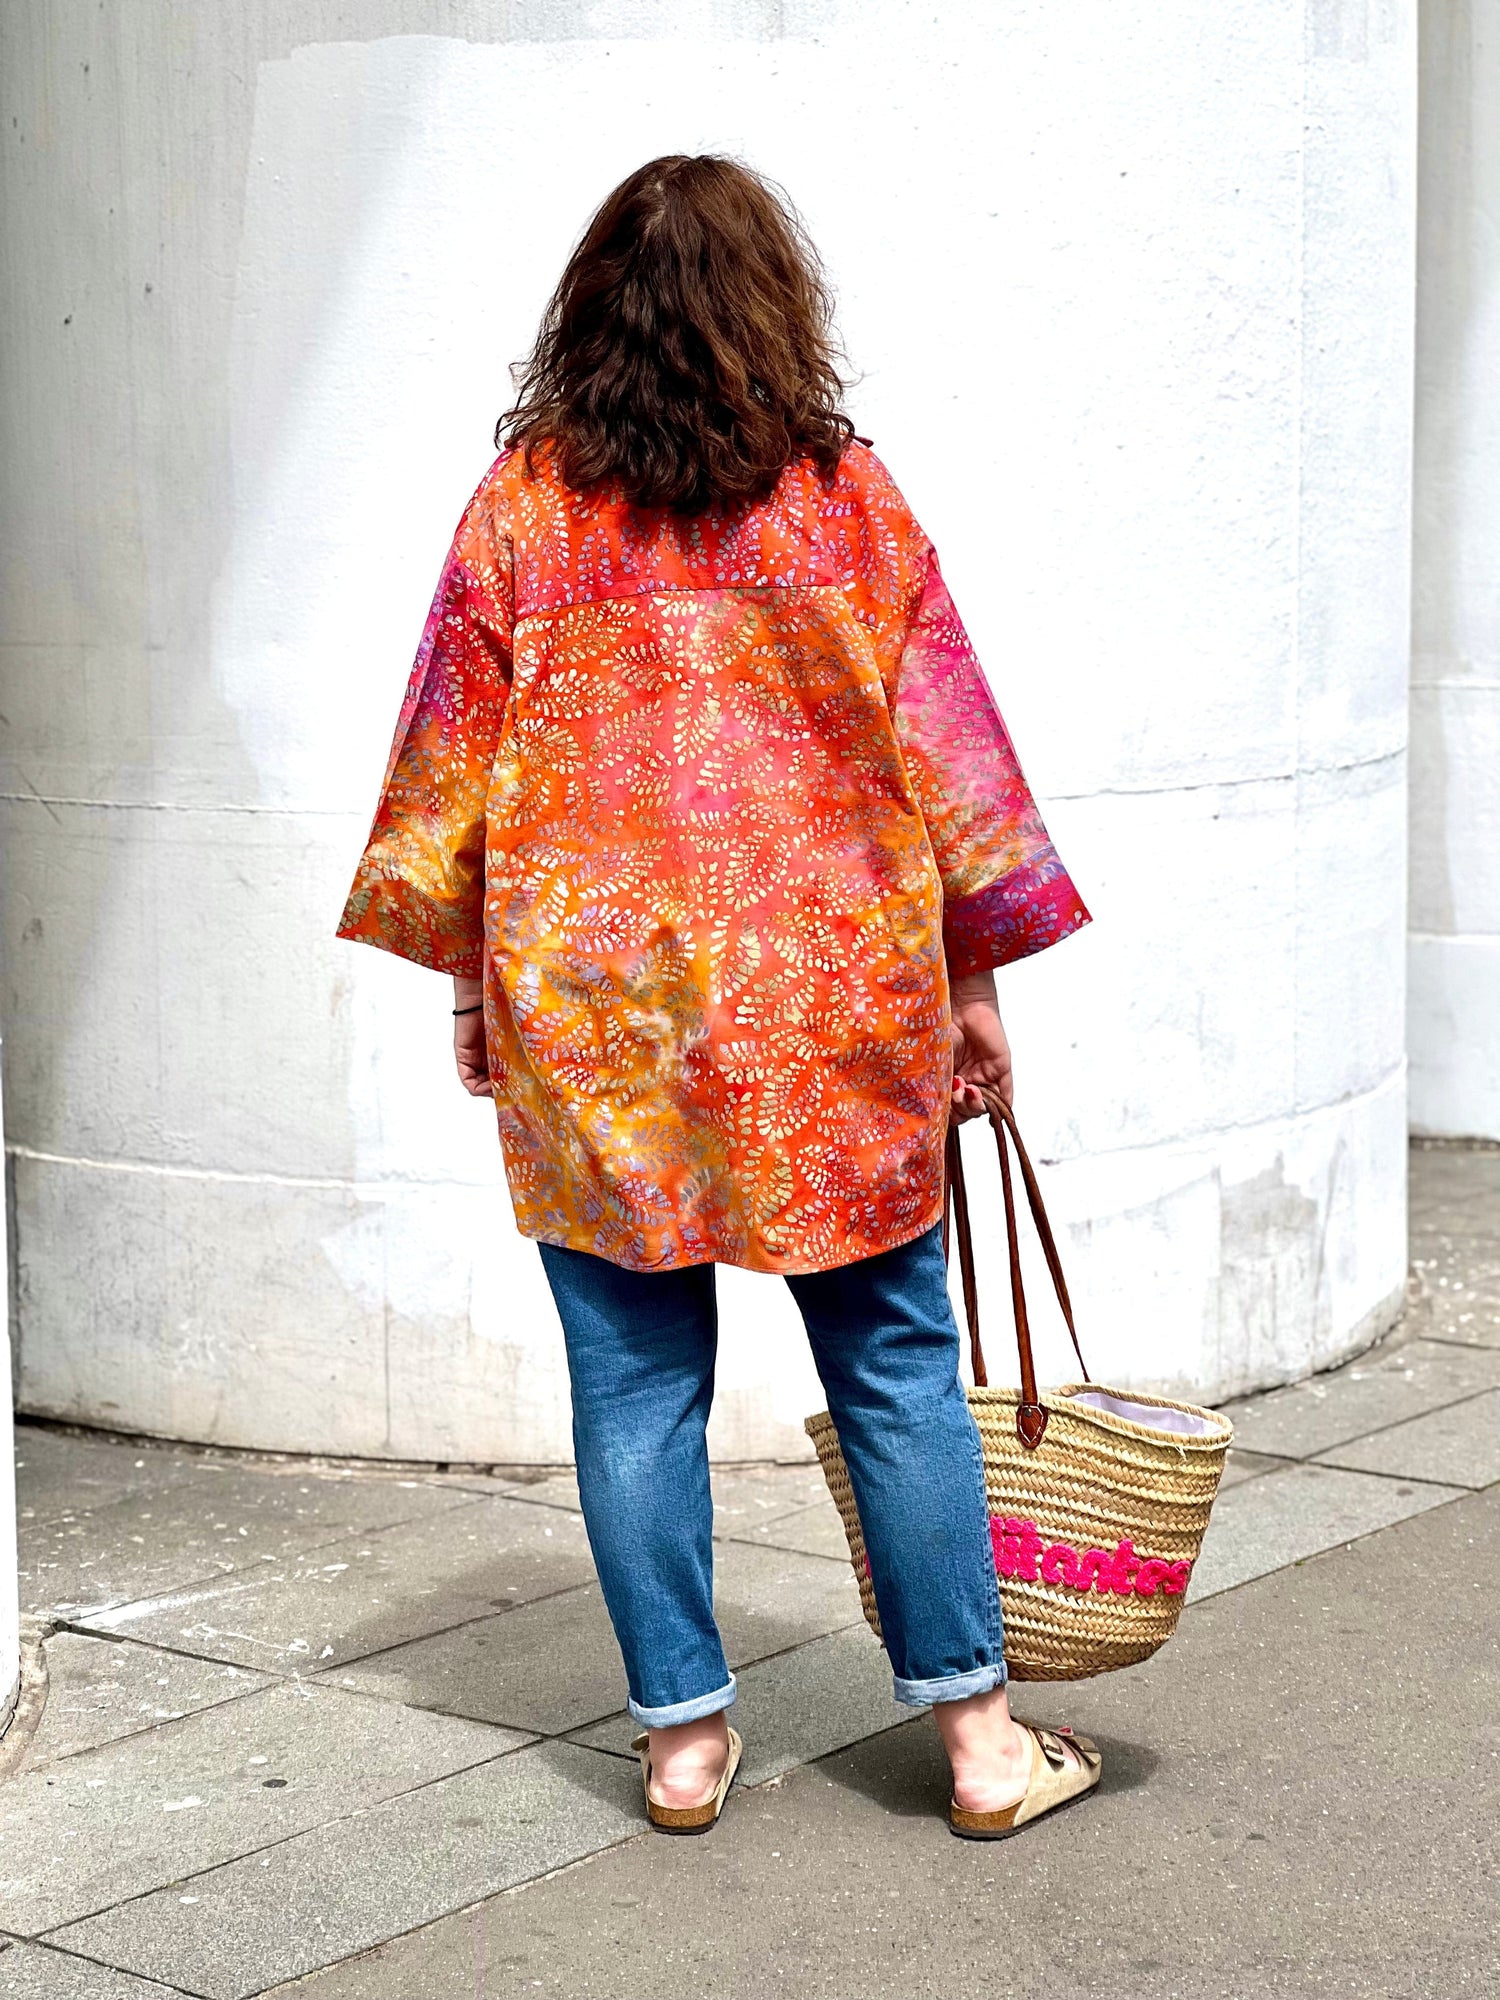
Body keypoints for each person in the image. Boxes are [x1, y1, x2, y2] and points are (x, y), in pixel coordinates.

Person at [339, 154, 1098, 1840]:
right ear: (778, 309)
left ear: (588, 316)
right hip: (834, 1002)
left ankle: (683, 1742)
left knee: (631, 1384)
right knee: (897, 1359)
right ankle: (978, 1746)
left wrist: (476, 991)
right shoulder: (848, 499)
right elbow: (949, 761)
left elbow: (446, 776)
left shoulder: (523, 511)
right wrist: (973, 985)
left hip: (597, 1018)